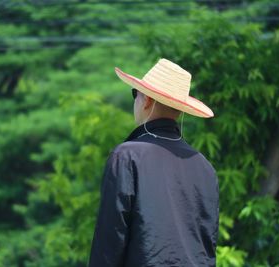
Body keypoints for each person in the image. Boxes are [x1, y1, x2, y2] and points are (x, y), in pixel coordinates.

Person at [88, 58, 219, 267]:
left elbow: (110, 240)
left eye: (135, 94)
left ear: (147, 100)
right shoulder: (204, 167)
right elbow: (206, 245)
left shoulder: (127, 156)